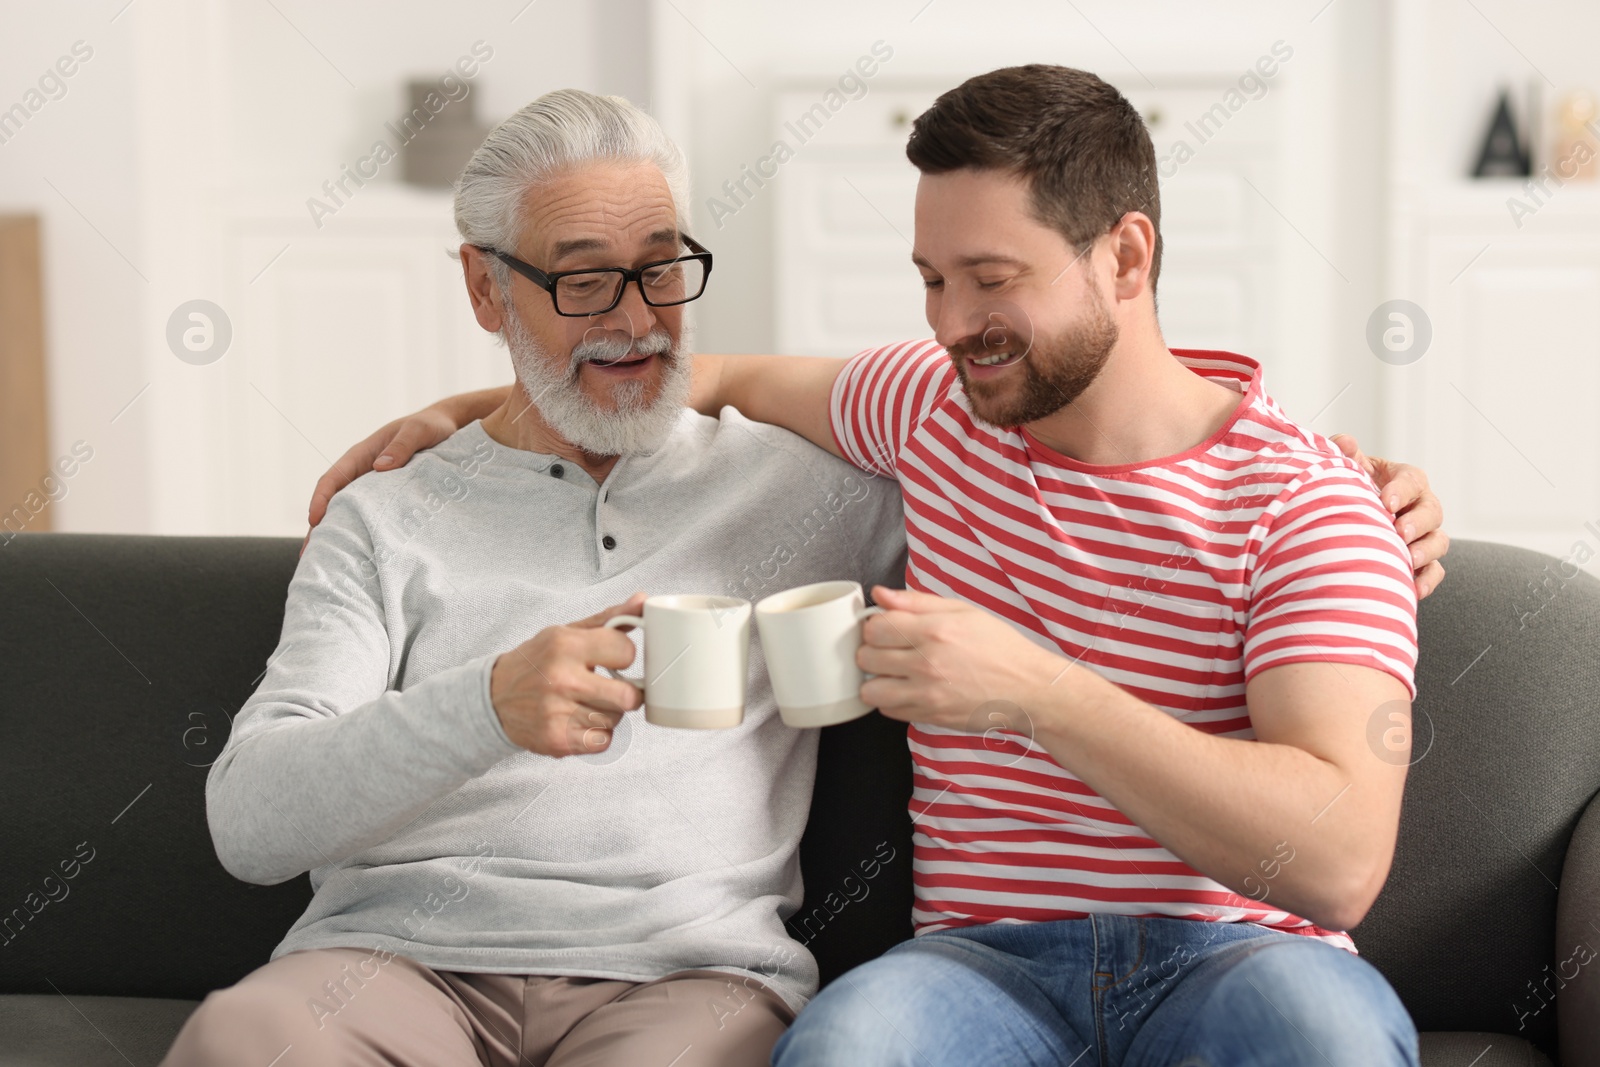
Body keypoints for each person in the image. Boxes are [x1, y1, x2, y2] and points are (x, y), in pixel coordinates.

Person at [318, 66, 1448, 1066]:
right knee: (849, 1047)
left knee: (1322, 1043)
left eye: (991, 277)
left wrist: (1037, 690)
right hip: (977, 966)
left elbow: (1338, 857)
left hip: (1239, 953)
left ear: (1127, 256)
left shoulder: (1304, 501)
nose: (953, 323)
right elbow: (702, 375)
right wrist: (463, 410)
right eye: (930, 278)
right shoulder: (931, 407)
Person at [159, 89, 907, 1067]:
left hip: (684, 981)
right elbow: (250, 820)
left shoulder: (808, 488)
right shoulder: (384, 515)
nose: (637, 321)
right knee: (240, 1038)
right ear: (483, 289)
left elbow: (1008, 447)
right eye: (585, 282)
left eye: (662, 270)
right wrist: (487, 704)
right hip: (389, 968)